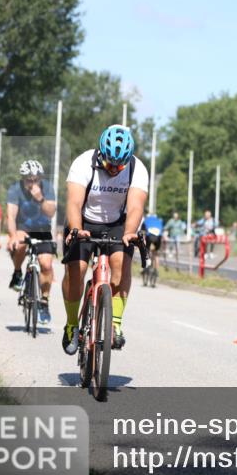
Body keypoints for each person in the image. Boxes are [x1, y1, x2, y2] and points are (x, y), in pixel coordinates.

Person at [61, 125, 148, 354]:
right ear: (100, 153)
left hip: (117, 223)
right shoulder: (83, 162)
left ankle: (115, 323)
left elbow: (136, 206)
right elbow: (73, 203)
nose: (114, 169)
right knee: (77, 270)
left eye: (119, 166)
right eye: (109, 164)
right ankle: (71, 325)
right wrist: (77, 229)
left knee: (121, 263)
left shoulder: (137, 168)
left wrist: (130, 232)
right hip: (83, 221)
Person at [6, 160, 58, 324]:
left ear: (40, 178)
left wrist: (40, 199)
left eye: (36, 179)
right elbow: (11, 216)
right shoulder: (15, 189)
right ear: (23, 179)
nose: (32, 183)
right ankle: (17, 273)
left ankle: (44, 302)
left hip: (43, 228)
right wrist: (13, 236)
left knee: (46, 265)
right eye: (29, 179)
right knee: (19, 243)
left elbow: (51, 213)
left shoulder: (47, 187)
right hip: (23, 227)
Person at [142, 210, 164, 274]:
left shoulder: (146, 220)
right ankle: (156, 270)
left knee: (146, 251)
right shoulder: (159, 221)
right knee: (156, 254)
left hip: (149, 237)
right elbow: (161, 230)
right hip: (158, 237)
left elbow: (142, 231)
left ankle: (145, 266)